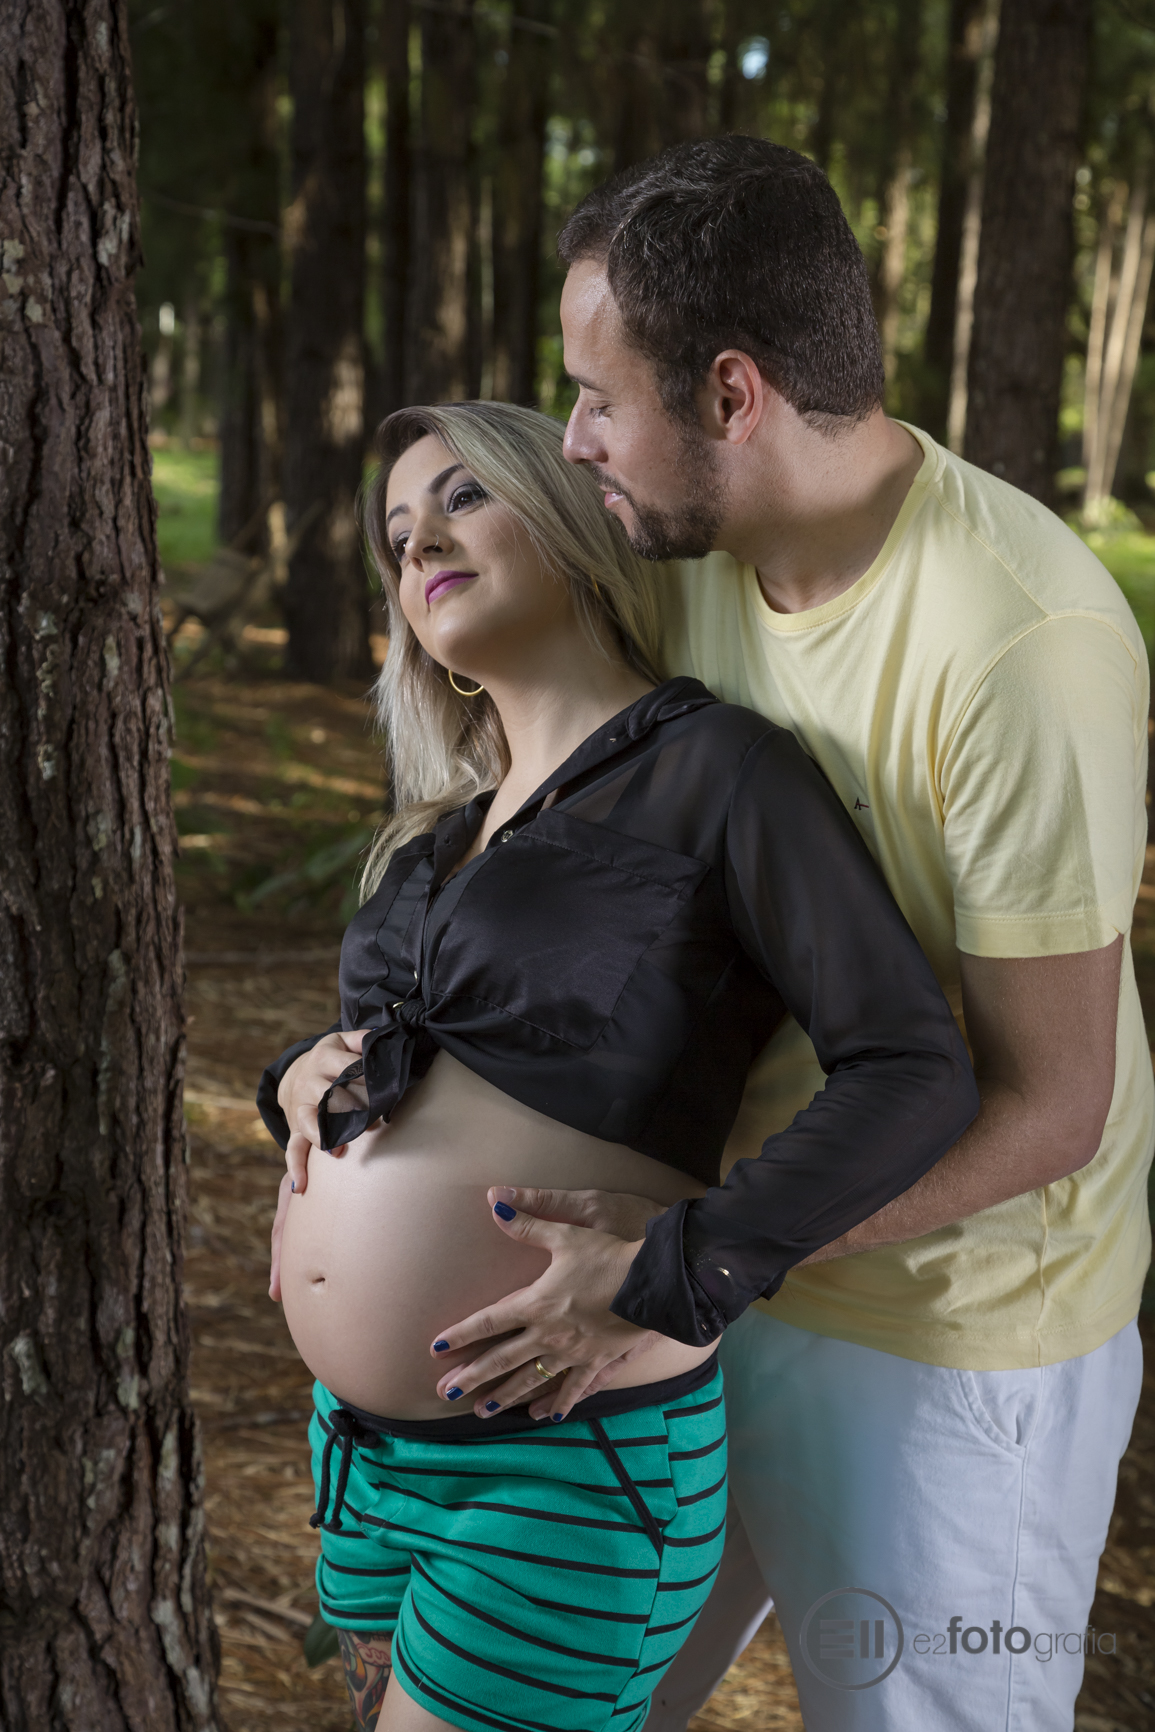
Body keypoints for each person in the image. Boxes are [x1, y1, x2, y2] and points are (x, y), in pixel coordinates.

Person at [370, 138, 1149, 1731]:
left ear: (732, 397)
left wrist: (688, 1262)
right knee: (566, 1699)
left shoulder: (1023, 643)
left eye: (600, 396)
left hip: (946, 1344)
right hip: (688, 1288)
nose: (574, 436)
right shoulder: (683, 569)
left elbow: (1052, 1106)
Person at [259, 399, 978, 1732]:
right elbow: (428, 1058)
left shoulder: (720, 773)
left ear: (577, 518)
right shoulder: (436, 840)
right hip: (360, 1457)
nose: (421, 540)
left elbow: (914, 1065)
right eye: (396, 533)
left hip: (565, 1461)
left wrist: (682, 1264)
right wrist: (301, 1077)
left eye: (462, 497)